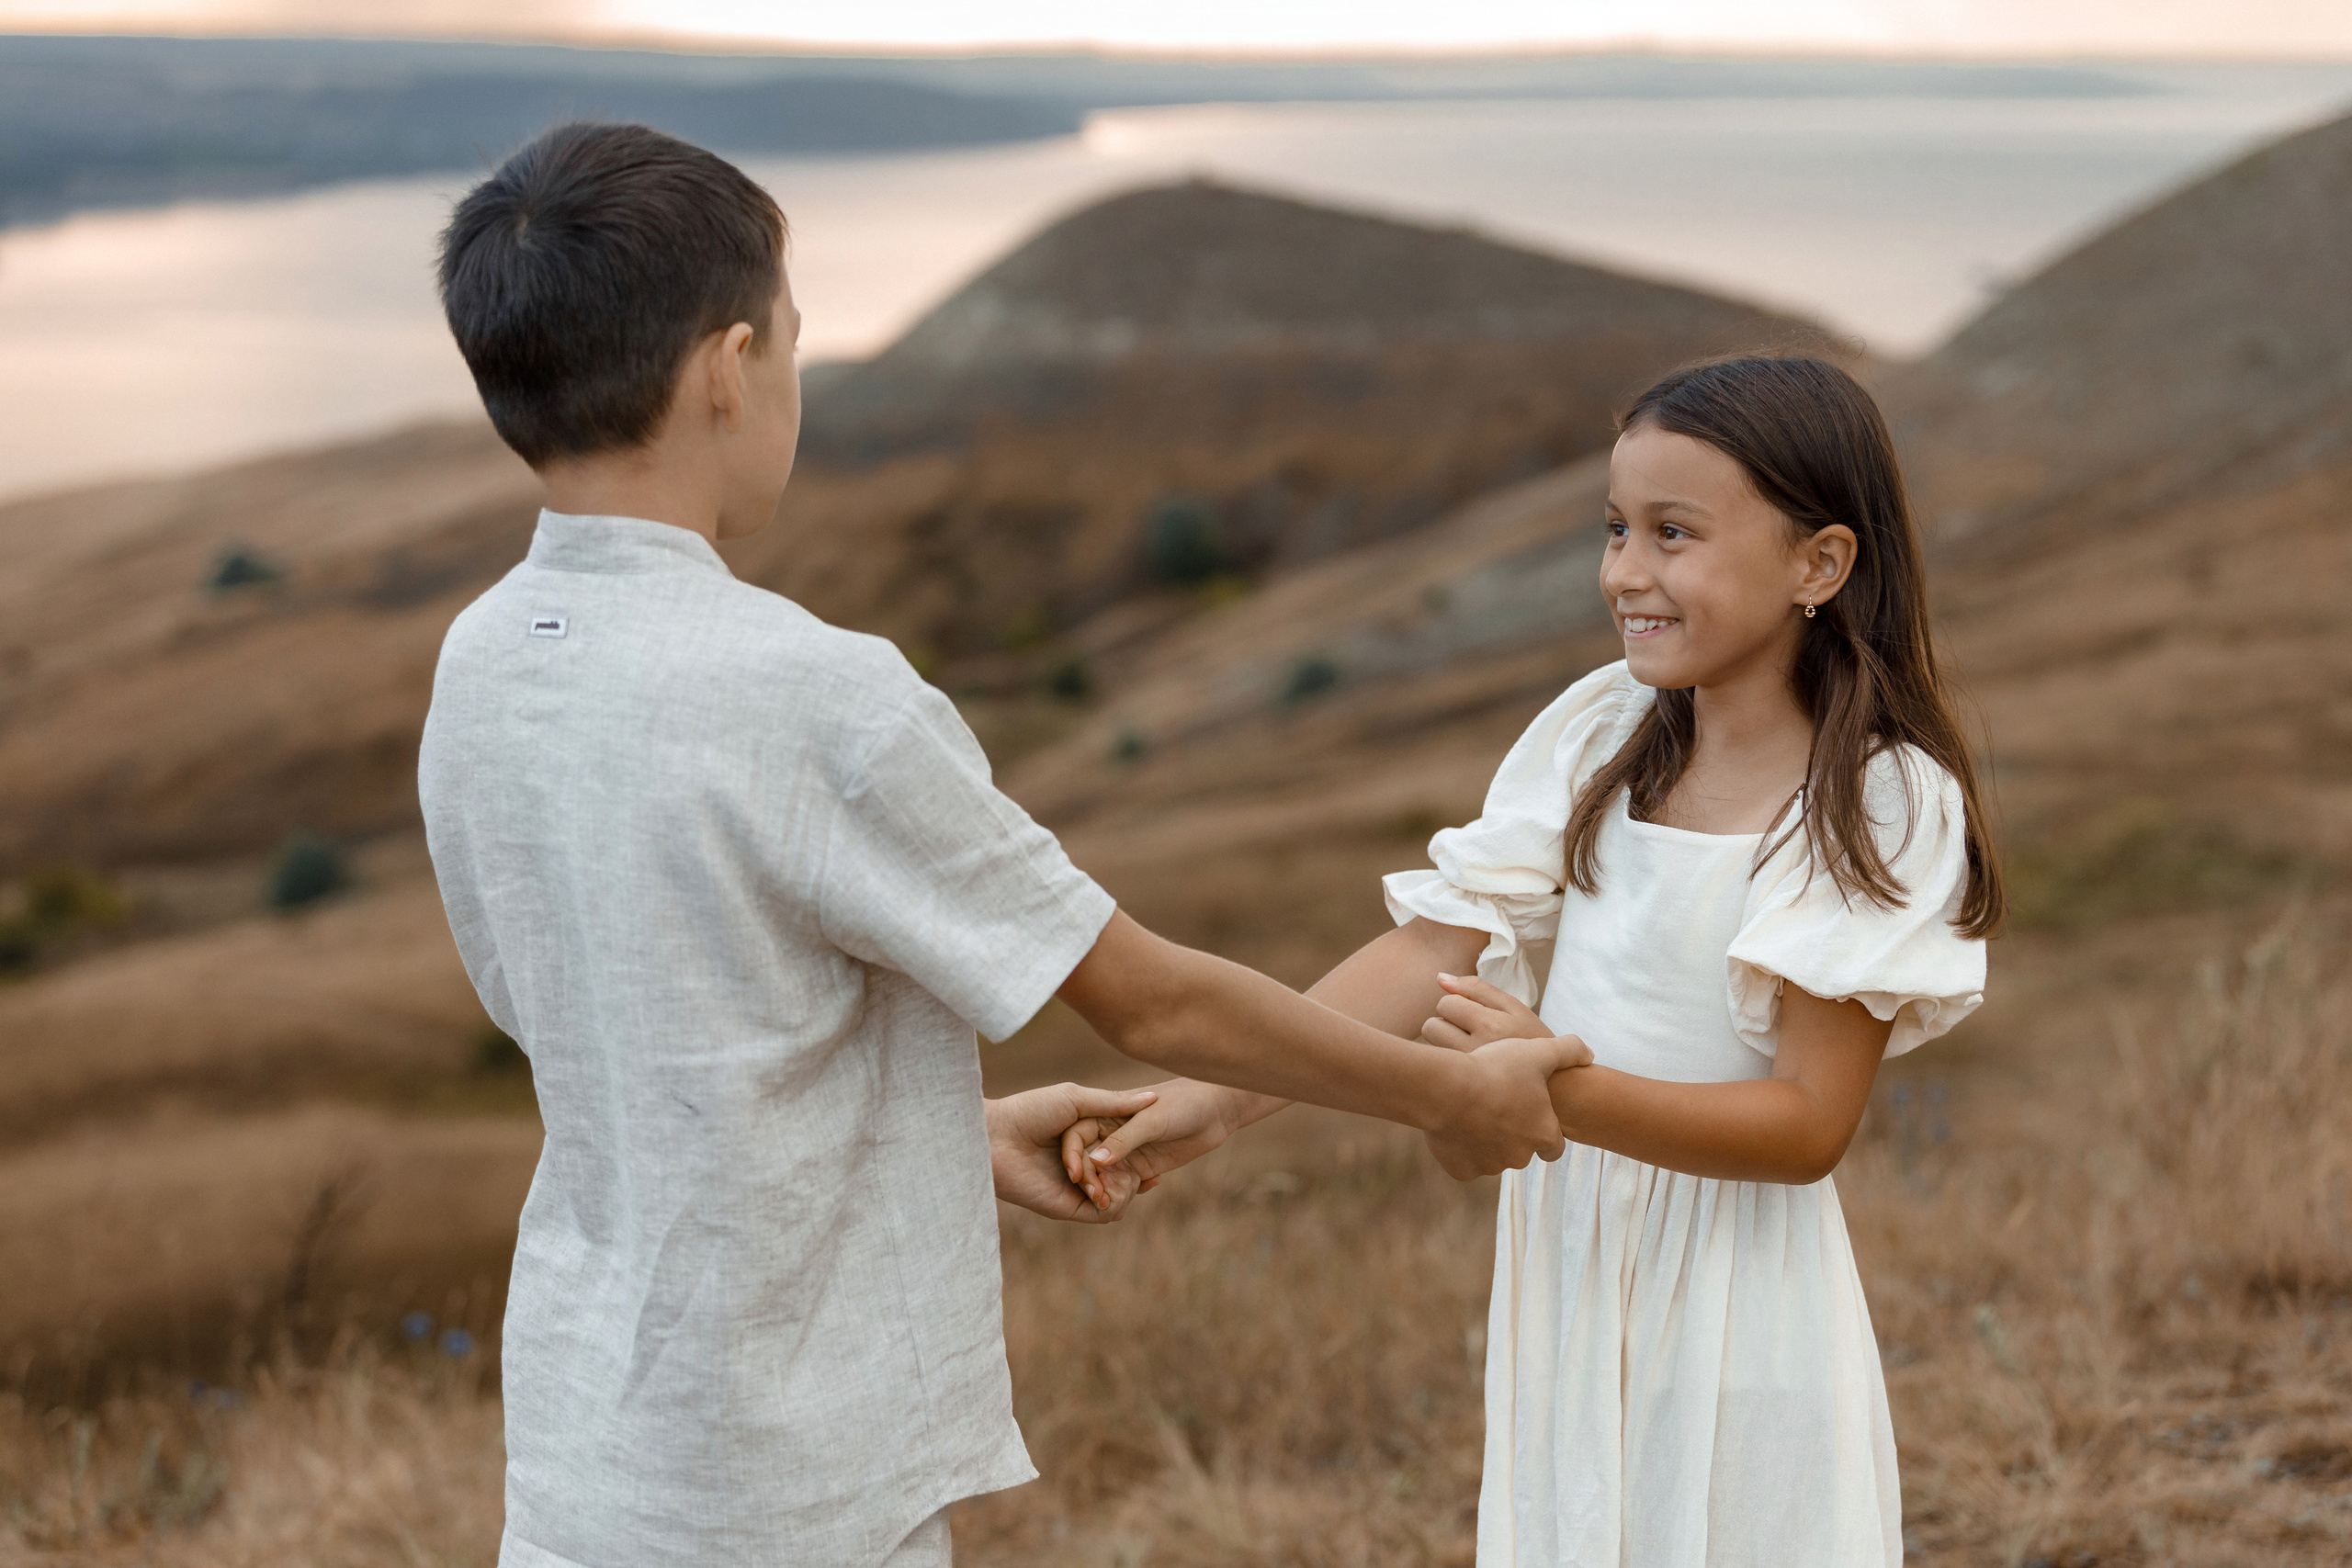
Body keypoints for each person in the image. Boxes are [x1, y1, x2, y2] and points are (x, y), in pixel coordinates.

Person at [417, 121, 1579, 1568]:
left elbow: (657, 1060)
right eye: (785, 346)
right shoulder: (809, 693)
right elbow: (1145, 997)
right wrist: (1444, 1098)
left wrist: (943, 1142)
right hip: (798, 1474)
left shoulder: (480, 665)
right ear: (728, 368)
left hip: (597, 1455)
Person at [1081, 355, 2004, 1566]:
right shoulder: (1599, 731)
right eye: (1617, 529)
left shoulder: (1877, 800)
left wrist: (1547, 1089)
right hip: (1571, 1272)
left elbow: (1806, 1126)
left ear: (1818, 564)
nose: (1625, 572)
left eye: (1674, 534)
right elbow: (1430, 953)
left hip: (1738, 1307)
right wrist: (1209, 1109)